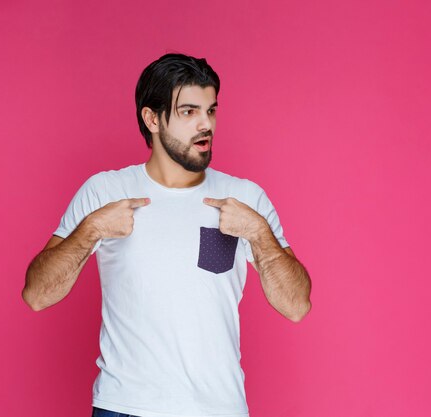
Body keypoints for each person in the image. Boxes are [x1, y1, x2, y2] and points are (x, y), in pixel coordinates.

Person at [22, 53, 312, 417]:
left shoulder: (246, 198)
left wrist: (259, 234)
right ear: (152, 118)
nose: (205, 124)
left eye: (211, 110)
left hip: (218, 409)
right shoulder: (105, 190)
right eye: (189, 112)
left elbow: (297, 306)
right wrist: (91, 229)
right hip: (124, 407)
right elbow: (37, 295)